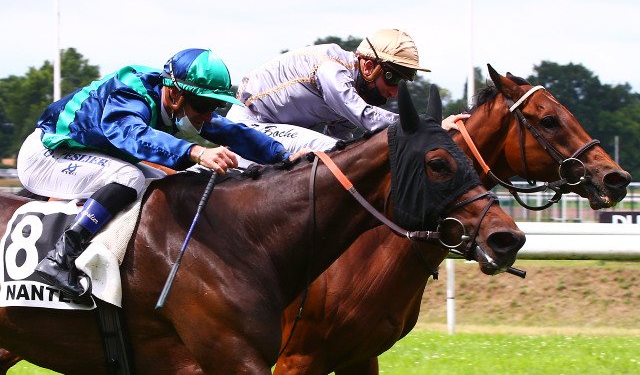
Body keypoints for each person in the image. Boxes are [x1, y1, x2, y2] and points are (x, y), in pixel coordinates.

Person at [17, 48, 303, 303]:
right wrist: (195, 151)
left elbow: (231, 131)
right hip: (48, 156)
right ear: (175, 95)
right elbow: (131, 135)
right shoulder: (129, 92)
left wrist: (282, 156)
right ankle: (59, 258)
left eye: (215, 106)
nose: (208, 115)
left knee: (165, 181)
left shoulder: (180, 101)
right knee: (129, 177)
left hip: (84, 155)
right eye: (204, 106)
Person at [226, 28, 468, 161]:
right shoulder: (332, 70)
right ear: (369, 67)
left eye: (401, 82)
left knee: (341, 153)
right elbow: (366, 118)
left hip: (269, 131)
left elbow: (342, 141)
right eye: (392, 78)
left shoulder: (353, 92)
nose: (395, 93)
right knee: (338, 154)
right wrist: (429, 125)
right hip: (248, 126)